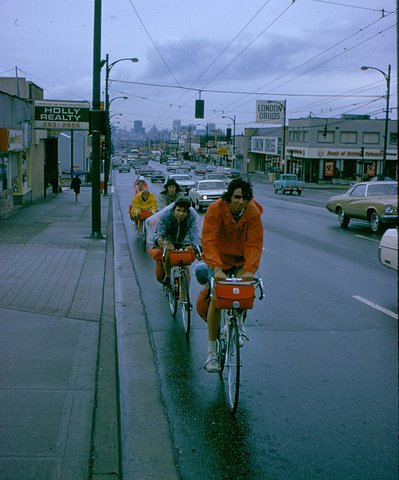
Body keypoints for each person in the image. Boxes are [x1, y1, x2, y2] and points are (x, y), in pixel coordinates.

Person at [201, 178, 264, 372]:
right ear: (229, 198)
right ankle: (212, 353)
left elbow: (254, 243)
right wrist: (216, 267)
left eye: (245, 198)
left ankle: (240, 324)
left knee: (244, 290)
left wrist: (249, 270)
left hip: (240, 259)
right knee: (216, 299)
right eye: (237, 197)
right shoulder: (215, 209)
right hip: (218, 258)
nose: (240, 202)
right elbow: (209, 240)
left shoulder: (253, 213)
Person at [153, 196, 201, 284]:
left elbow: (194, 234)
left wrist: (197, 249)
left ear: (188, 212)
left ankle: (185, 294)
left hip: (184, 239)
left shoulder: (192, 216)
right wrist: (160, 241)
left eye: (184, 211)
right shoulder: (166, 215)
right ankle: (167, 276)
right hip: (169, 238)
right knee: (168, 251)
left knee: (185, 265)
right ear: (174, 209)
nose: (181, 214)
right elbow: (161, 231)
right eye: (178, 210)